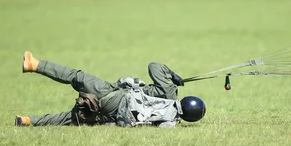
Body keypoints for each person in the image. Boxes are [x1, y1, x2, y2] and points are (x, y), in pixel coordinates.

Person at [15, 51, 206, 127]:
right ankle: (27, 121)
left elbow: (154, 65)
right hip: (113, 116)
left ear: (185, 100)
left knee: (77, 77)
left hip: (112, 95)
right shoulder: (170, 122)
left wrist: (172, 76)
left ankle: (35, 65)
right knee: (71, 119)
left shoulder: (170, 92)